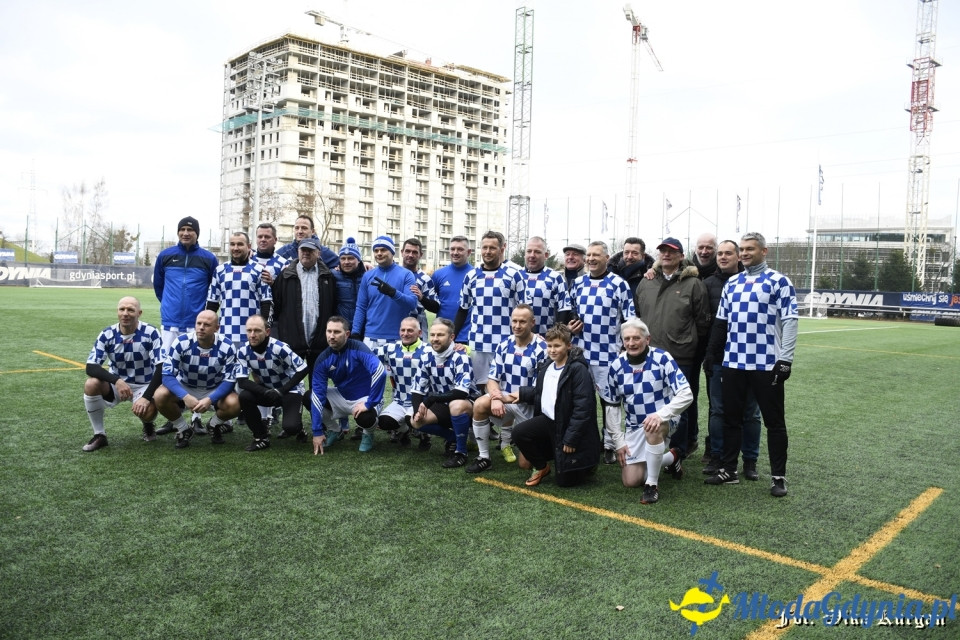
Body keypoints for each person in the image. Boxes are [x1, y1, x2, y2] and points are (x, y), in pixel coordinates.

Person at [704, 232, 798, 497]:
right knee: (731, 419)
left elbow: (790, 321)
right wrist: (712, 353)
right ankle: (729, 470)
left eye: (750, 249)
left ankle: (778, 477)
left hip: (766, 364)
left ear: (763, 251)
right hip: (734, 362)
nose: (745, 253)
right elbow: (721, 323)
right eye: (742, 249)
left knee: (774, 422)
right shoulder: (732, 283)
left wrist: (785, 359)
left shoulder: (779, 281)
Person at [633, 237, 710, 461]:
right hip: (650, 356)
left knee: (679, 405)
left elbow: (702, 321)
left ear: (681, 256)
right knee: (650, 401)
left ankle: (678, 452)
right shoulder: (646, 282)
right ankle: (650, 447)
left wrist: (687, 341)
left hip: (680, 355)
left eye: (672, 251)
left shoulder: (694, 284)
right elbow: (638, 314)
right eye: (663, 251)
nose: (666, 254)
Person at [604, 319, 692, 505]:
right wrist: (618, 442)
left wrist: (661, 415)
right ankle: (672, 457)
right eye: (627, 339)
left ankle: (652, 485)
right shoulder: (616, 366)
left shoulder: (662, 359)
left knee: (653, 426)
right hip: (634, 426)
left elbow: (686, 394)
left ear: (647, 339)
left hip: (664, 420)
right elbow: (612, 406)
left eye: (636, 338)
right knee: (630, 481)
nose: (631, 343)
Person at [504, 324, 600, 487]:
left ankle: (587, 466)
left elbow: (583, 408)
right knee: (519, 433)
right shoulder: (547, 365)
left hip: (567, 425)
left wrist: (571, 439)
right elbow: (542, 392)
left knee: (565, 483)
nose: (552, 350)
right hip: (549, 421)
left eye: (557, 346)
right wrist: (522, 394)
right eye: (549, 346)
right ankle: (542, 467)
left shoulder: (578, 370)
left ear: (568, 346)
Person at [568, 240, 636, 464]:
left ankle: (610, 444)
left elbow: (629, 318)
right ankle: (588, 441)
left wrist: (626, 346)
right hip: (580, 353)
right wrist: (571, 324)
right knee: (581, 400)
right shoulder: (578, 283)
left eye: (596, 255)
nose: (590, 259)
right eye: (588, 255)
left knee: (610, 401)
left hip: (608, 354)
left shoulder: (618, 284)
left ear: (607, 258)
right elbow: (570, 312)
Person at [702, 240, 762, 479]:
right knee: (718, 410)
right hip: (719, 358)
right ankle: (717, 456)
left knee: (751, 412)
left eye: (728, 253)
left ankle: (750, 460)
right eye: (720, 253)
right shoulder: (707, 284)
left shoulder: (757, 282)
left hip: (752, 358)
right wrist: (709, 353)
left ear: (738, 257)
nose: (723, 257)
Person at [467, 304, 547, 473]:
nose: (517, 326)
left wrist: (500, 398)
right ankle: (484, 457)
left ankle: (543, 442)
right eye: (514, 321)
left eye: (522, 322)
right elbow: (492, 379)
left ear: (532, 323)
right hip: (506, 400)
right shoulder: (504, 344)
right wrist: (495, 397)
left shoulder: (543, 348)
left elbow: (536, 391)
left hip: (530, 407)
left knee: (525, 465)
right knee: (480, 404)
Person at [270, 237, 338, 432]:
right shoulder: (285, 276)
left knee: (318, 386)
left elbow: (333, 307)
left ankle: (321, 422)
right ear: (298, 252)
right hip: (293, 343)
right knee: (291, 385)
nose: (306, 253)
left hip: (319, 343)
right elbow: (276, 308)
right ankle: (293, 423)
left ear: (318, 253)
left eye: (310, 250)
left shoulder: (328, 277)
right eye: (303, 250)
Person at [81, 296, 163, 451]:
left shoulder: (150, 332)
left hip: (144, 385)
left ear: (139, 313)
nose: (125, 313)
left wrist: (146, 397)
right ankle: (99, 435)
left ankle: (147, 423)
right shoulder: (107, 334)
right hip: (117, 384)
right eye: (122, 309)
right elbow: (91, 367)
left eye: (130, 310)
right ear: (117, 312)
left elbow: (161, 367)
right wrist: (117, 381)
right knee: (91, 384)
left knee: (148, 412)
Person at [153, 311, 241, 449]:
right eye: (199, 323)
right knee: (159, 395)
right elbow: (167, 375)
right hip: (186, 386)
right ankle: (183, 429)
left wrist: (210, 399)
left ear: (217, 328)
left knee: (236, 403)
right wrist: (185, 396)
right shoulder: (181, 342)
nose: (201, 327)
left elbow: (230, 381)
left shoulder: (227, 346)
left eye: (207, 325)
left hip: (214, 388)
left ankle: (213, 425)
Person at [455, 230, 525, 388]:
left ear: (501, 249)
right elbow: (463, 309)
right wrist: (452, 337)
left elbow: (524, 310)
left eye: (492, 248)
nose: (487, 251)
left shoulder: (514, 275)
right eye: (484, 247)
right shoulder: (471, 276)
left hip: (506, 343)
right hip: (478, 343)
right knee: (480, 388)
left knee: (504, 387)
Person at [310, 317, 387, 454]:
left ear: (347, 334)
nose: (331, 336)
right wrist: (317, 431)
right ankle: (334, 430)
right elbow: (317, 395)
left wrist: (370, 403)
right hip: (342, 396)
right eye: (329, 331)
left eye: (336, 332)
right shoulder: (323, 358)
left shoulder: (359, 348)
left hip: (365, 398)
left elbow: (380, 371)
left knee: (366, 418)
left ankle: (368, 433)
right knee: (309, 396)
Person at [235, 315, 310, 451]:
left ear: (267, 332)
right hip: (268, 390)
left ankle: (299, 429)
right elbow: (242, 381)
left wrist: (281, 391)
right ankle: (261, 438)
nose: (252, 335)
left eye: (257, 330)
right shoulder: (242, 351)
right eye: (249, 330)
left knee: (291, 427)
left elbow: (303, 368)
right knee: (245, 396)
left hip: (289, 390)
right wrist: (266, 391)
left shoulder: (279, 348)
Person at [410, 318, 477, 468]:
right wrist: (417, 412)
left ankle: (461, 452)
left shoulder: (461, 357)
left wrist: (432, 399)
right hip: (442, 402)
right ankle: (452, 437)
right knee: (415, 421)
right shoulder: (426, 356)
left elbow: (462, 392)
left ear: (451, 337)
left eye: (440, 335)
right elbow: (417, 388)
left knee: (456, 405)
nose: (435, 339)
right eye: (432, 335)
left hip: (469, 405)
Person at [153, 216, 218, 353]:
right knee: (168, 360)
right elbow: (159, 287)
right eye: (182, 229)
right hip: (170, 321)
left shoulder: (209, 258)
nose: (185, 233)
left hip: (197, 322)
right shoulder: (165, 255)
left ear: (197, 233)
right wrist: (169, 304)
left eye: (190, 230)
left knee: (195, 360)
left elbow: (213, 289)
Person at [205, 231, 272, 347]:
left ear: (249, 246)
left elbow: (266, 303)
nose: (235, 248)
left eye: (240, 244)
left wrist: (263, 327)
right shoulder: (220, 270)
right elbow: (212, 304)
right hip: (225, 333)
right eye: (232, 244)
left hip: (252, 334)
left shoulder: (259, 270)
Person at [351, 235, 418, 347]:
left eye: (383, 250)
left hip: (397, 337)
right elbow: (361, 306)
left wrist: (393, 293)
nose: (379, 253)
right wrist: (355, 332)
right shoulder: (367, 276)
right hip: (371, 337)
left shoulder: (406, 274)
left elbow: (412, 303)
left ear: (392, 252)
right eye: (376, 250)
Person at [373, 316, 425, 448]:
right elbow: (367, 354)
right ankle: (405, 431)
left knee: (413, 418)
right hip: (399, 401)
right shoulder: (390, 348)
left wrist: (462, 347)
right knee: (383, 422)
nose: (405, 334)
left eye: (410, 330)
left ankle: (425, 435)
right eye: (403, 330)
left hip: (422, 402)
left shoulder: (429, 350)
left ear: (419, 333)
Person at [521, 236, 572, 336]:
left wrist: (555, 336)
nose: (532, 255)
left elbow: (564, 309)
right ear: (525, 254)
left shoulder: (556, 278)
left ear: (546, 255)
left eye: (537, 252)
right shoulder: (516, 276)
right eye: (529, 251)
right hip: (518, 339)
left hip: (545, 339)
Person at [430, 235, 474, 341]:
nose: (455, 252)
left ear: (468, 252)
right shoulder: (438, 274)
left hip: (467, 335)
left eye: (460, 249)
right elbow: (432, 303)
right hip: (442, 336)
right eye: (452, 249)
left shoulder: (475, 275)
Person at [400, 237, 439, 338]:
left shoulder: (425, 278)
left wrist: (422, 298)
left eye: (414, 252)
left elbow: (436, 307)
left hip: (418, 331)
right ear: (402, 252)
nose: (410, 255)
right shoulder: (394, 274)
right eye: (407, 251)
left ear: (420, 255)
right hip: (394, 328)